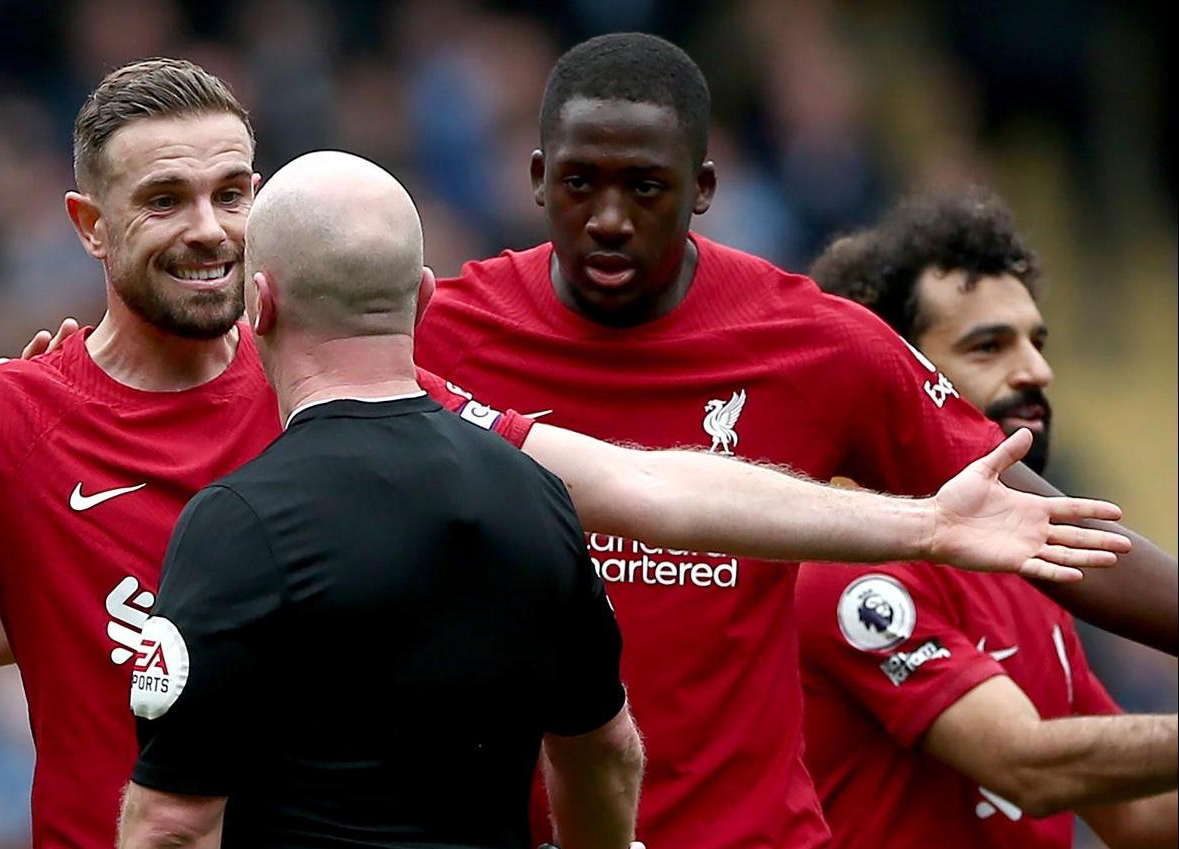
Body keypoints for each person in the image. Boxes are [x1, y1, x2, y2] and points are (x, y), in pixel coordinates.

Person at [0, 59, 1128, 849]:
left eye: (230, 192)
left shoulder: (332, 388)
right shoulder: (10, 418)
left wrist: (914, 519)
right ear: (88, 222)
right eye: (165, 197)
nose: (204, 225)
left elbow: (631, 474)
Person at [410, 32, 1174, 849]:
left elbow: (1052, 529)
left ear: (702, 188)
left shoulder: (813, 344)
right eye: (577, 183)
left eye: (644, 188)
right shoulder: (447, 335)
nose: (607, 219)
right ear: (535, 177)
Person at [117, 151, 643, 849]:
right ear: (423, 297)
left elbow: (172, 826)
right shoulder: (535, 496)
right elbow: (605, 753)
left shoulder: (240, 521)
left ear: (259, 302)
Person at [795, 189, 1178, 848]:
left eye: (1035, 341)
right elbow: (1026, 763)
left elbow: (1136, 818)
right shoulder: (850, 563)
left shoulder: (1035, 568)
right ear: (896, 375)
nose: (1036, 369)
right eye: (987, 346)